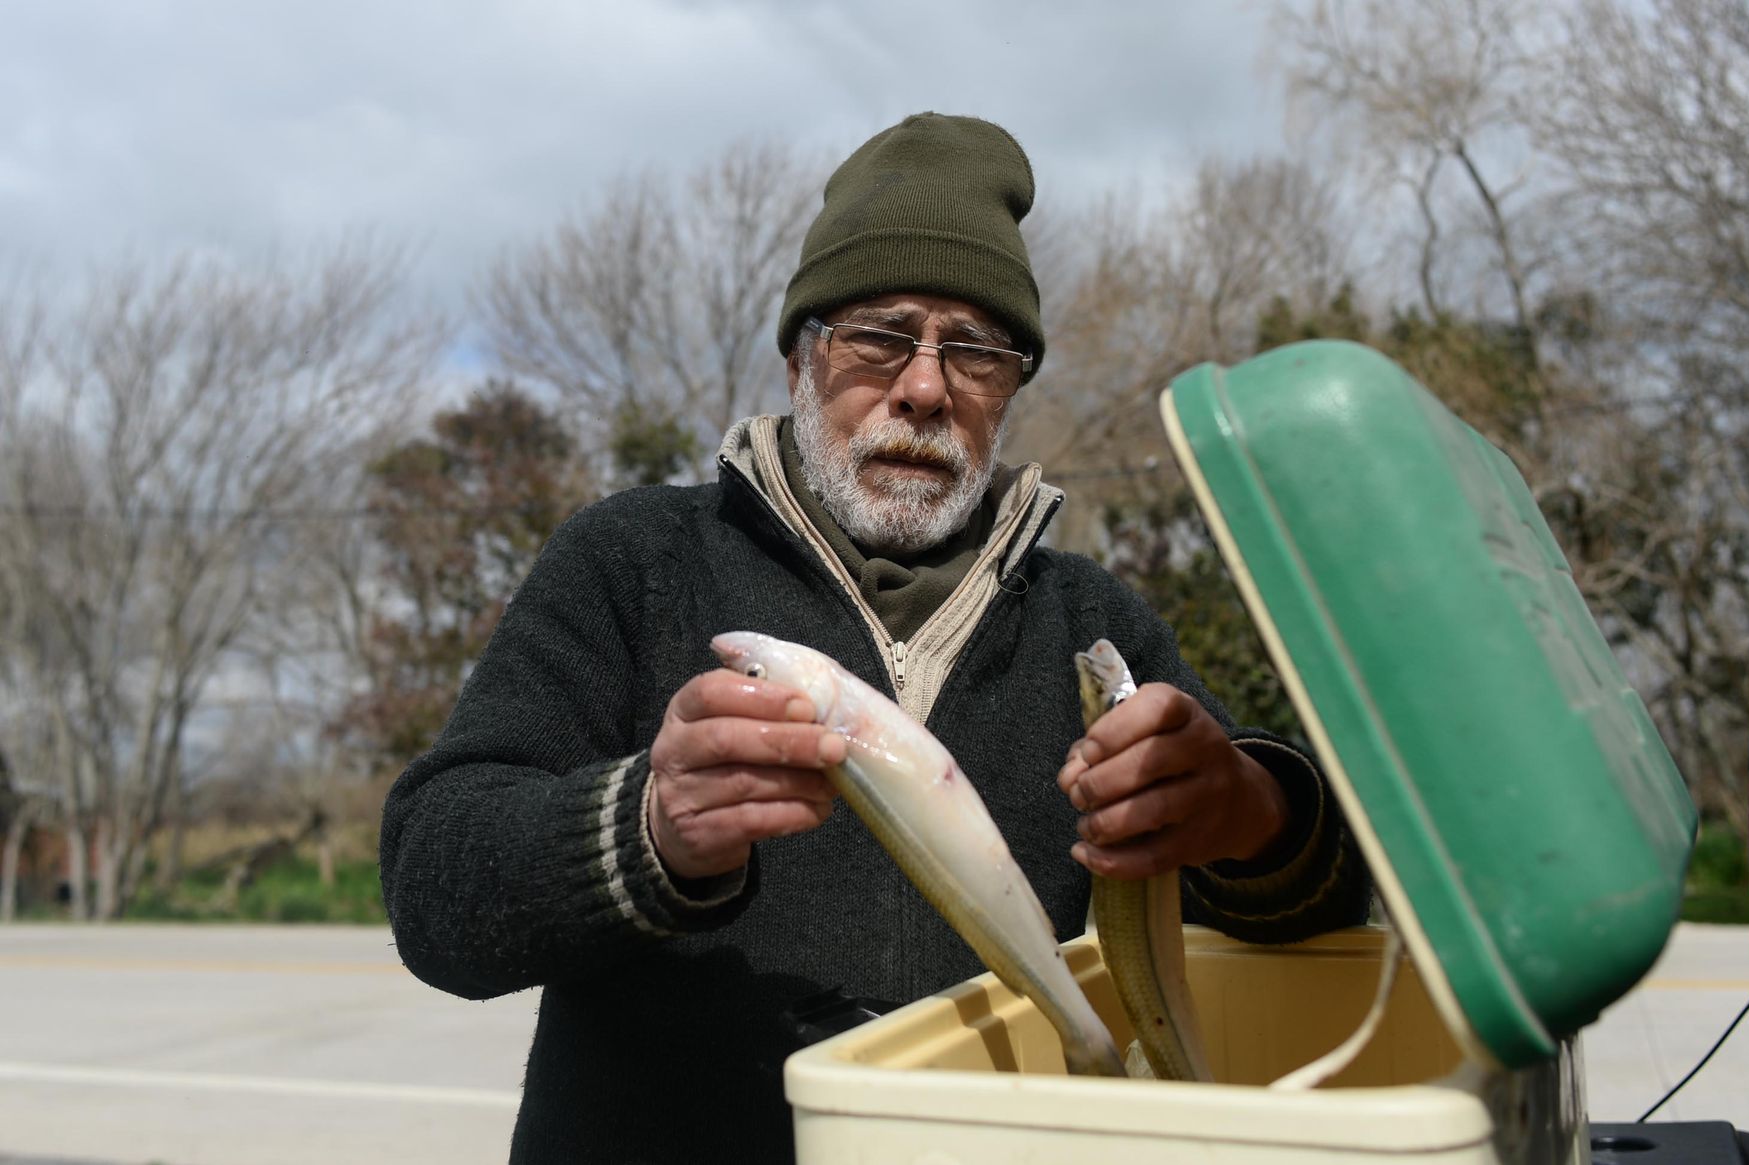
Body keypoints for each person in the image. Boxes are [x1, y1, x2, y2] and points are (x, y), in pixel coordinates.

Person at [381, 112, 1370, 1165]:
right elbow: (436, 888)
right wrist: (648, 824)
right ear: (801, 357)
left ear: (1011, 386)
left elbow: (1330, 911)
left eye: (978, 352)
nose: (927, 387)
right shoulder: (631, 559)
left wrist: (1254, 809)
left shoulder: (1094, 624)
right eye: (880, 337)